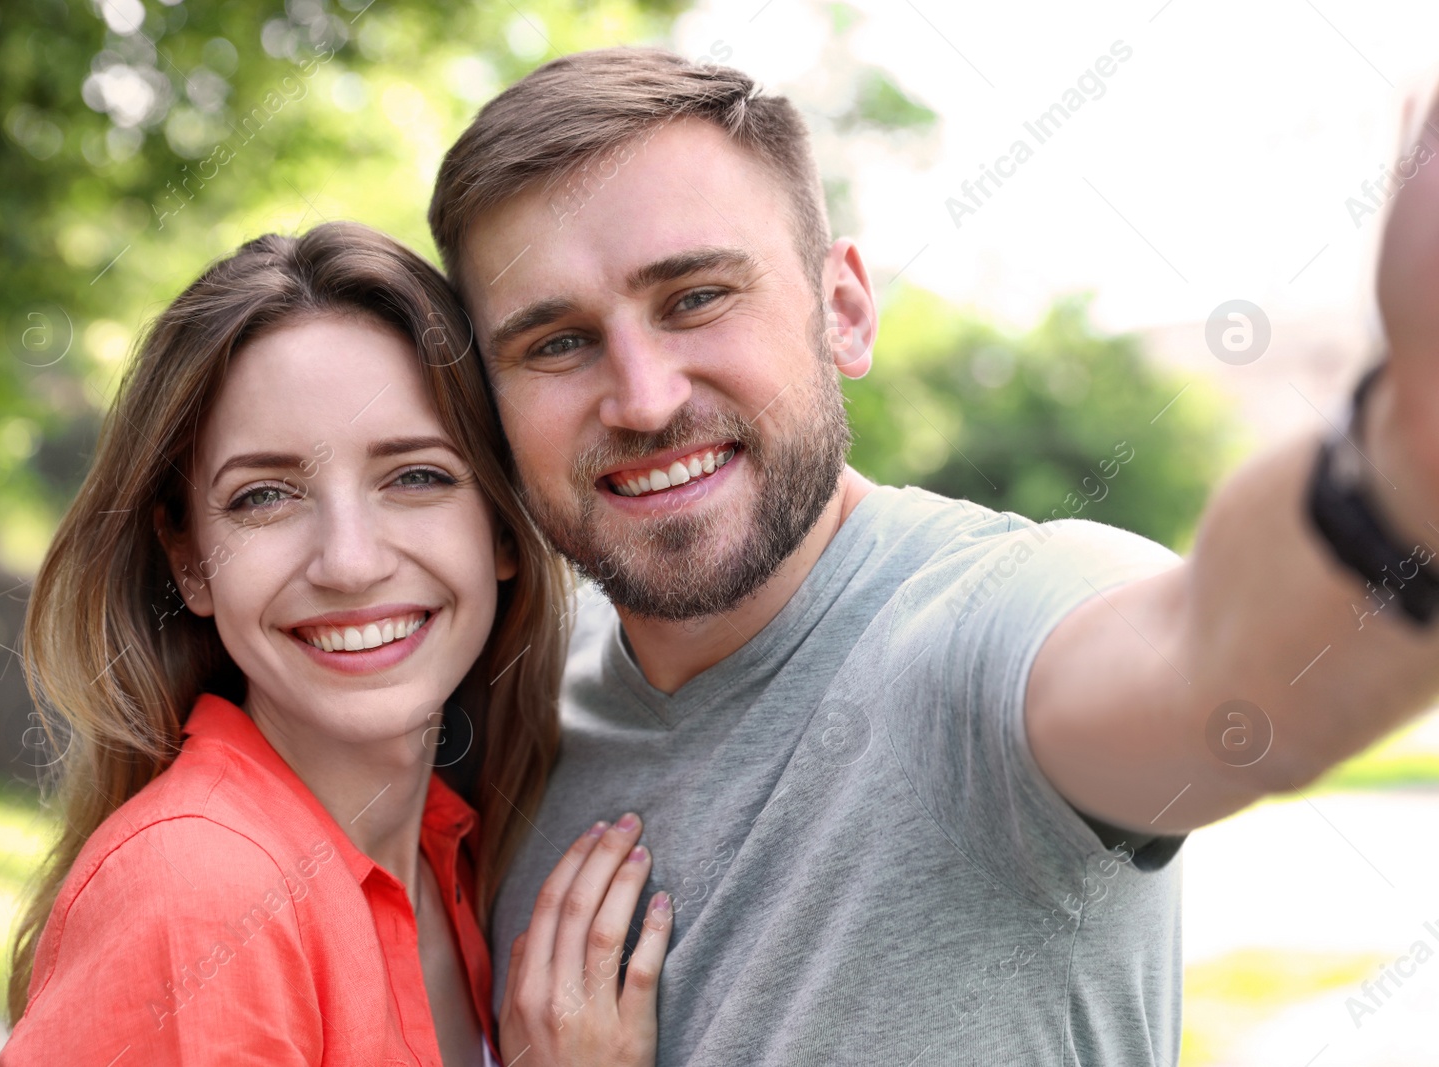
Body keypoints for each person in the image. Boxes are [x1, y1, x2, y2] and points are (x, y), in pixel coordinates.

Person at [426, 48, 1439, 1064]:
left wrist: (1404, 464)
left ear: (844, 311)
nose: (643, 398)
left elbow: (1210, 668)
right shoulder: (502, 709)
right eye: (555, 342)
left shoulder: (983, 627)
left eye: (695, 296)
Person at [0, 222, 673, 1067]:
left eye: (416, 476)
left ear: (504, 527)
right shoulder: (199, 894)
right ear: (191, 561)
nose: (350, 563)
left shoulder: (454, 862)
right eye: (265, 496)